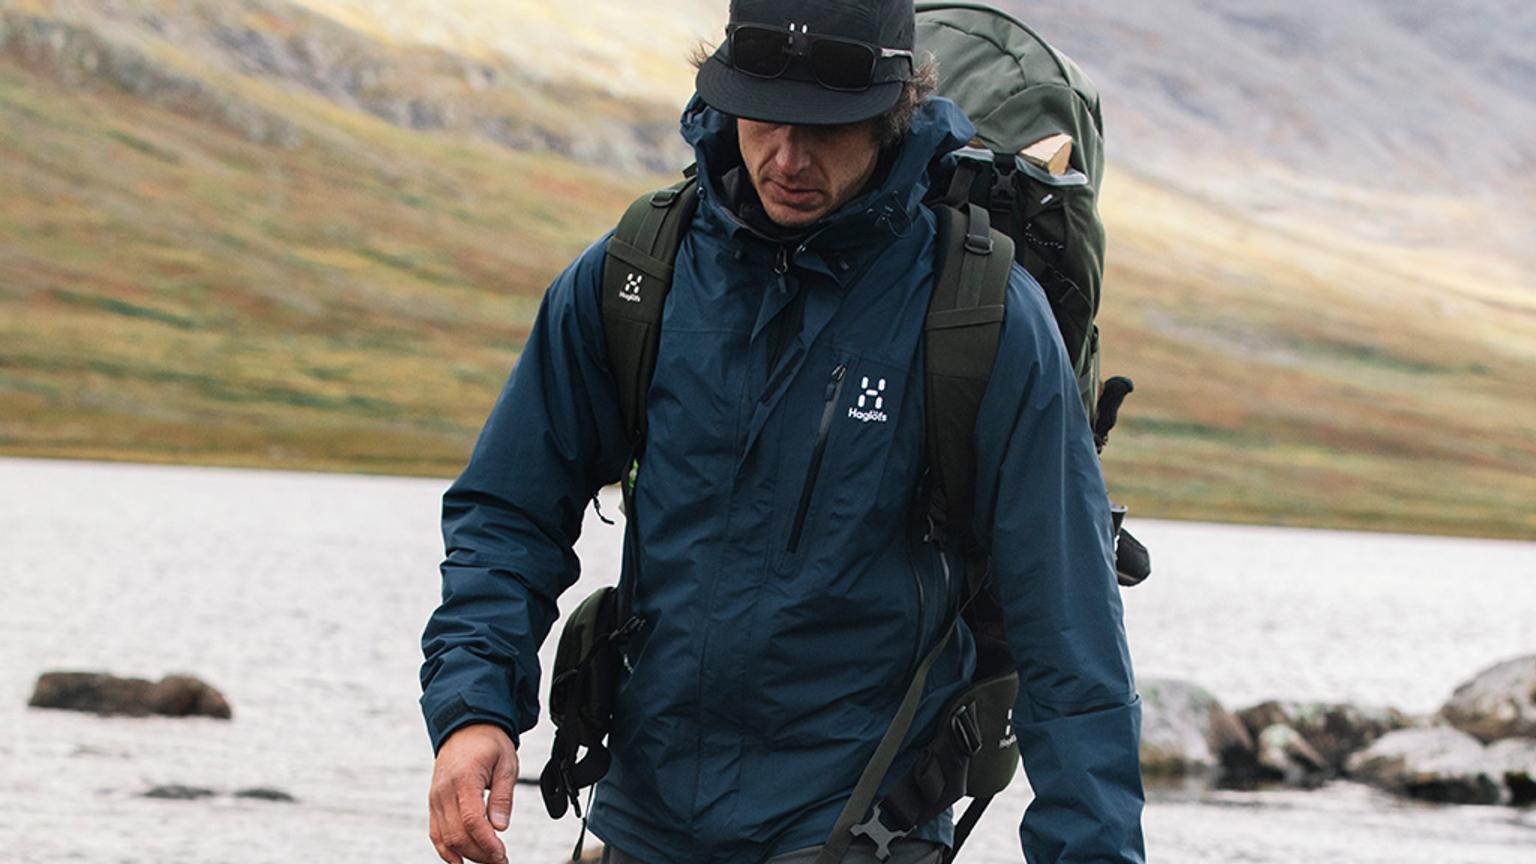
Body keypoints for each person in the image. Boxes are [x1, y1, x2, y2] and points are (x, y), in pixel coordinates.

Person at [419, 1, 1145, 862]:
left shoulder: (981, 319)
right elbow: (510, 511)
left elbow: (1068, 626)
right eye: (765, 118)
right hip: (640, 825)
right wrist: (472, 710)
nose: (789, 159)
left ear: (894, 111)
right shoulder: (638, 274)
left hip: (862, 831)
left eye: (826, 128)